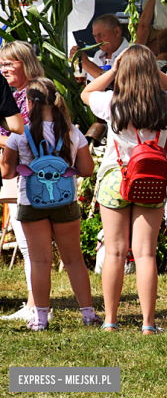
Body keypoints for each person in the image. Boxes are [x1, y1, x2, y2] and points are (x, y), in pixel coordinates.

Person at [81, 45, 167, 334]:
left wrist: (113, 70)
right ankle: (148, 324)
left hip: (116, 177)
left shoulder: (111, 102)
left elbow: (85, 93)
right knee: (146, 254)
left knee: (114, 252)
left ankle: (111, 321)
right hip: (151, 177)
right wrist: (154, 71)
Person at [0, 78, 99, 331]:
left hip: (31, 203)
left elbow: (7, 171)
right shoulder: (71, 131)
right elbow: (87, 170)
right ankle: (88, 314)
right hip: (65, 203)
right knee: (74, 258)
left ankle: (40, 318)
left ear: (29, 103)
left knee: (40, 261)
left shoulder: (19, 135)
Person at [0, 42, 46, 322]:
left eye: (9, 63)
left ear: (26, 63)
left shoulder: (32, 95)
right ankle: (33, 301)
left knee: (30, 242)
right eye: (1, 64)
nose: (4, 69)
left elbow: (28, 137)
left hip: (28, 171)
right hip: (15, 169)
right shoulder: (16, 94)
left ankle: (35, 304)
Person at [69, 14, 130, 81]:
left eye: (101, 35)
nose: (98, 41)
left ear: (117, 32)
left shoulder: (131, 54)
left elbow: (117, 84)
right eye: (95, 36)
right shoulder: (98, 54)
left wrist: (85, 63)